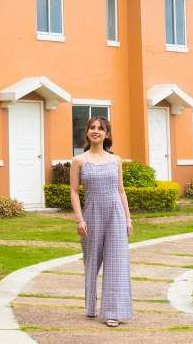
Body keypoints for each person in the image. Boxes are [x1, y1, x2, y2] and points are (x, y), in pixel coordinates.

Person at [70, 116, 133, 327]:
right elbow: (74, 192)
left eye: (100, 128)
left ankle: (112, 312)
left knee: (116, 263)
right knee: (92, 262)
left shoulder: (116, 160)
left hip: (115, 213)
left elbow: (121, 190)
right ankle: (90, 307)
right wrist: (79, 220)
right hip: (91, 213)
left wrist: (128, 218)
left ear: (107, 134)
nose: (96, 131)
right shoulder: (79, 161)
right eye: (92, 128)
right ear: (87, 132)